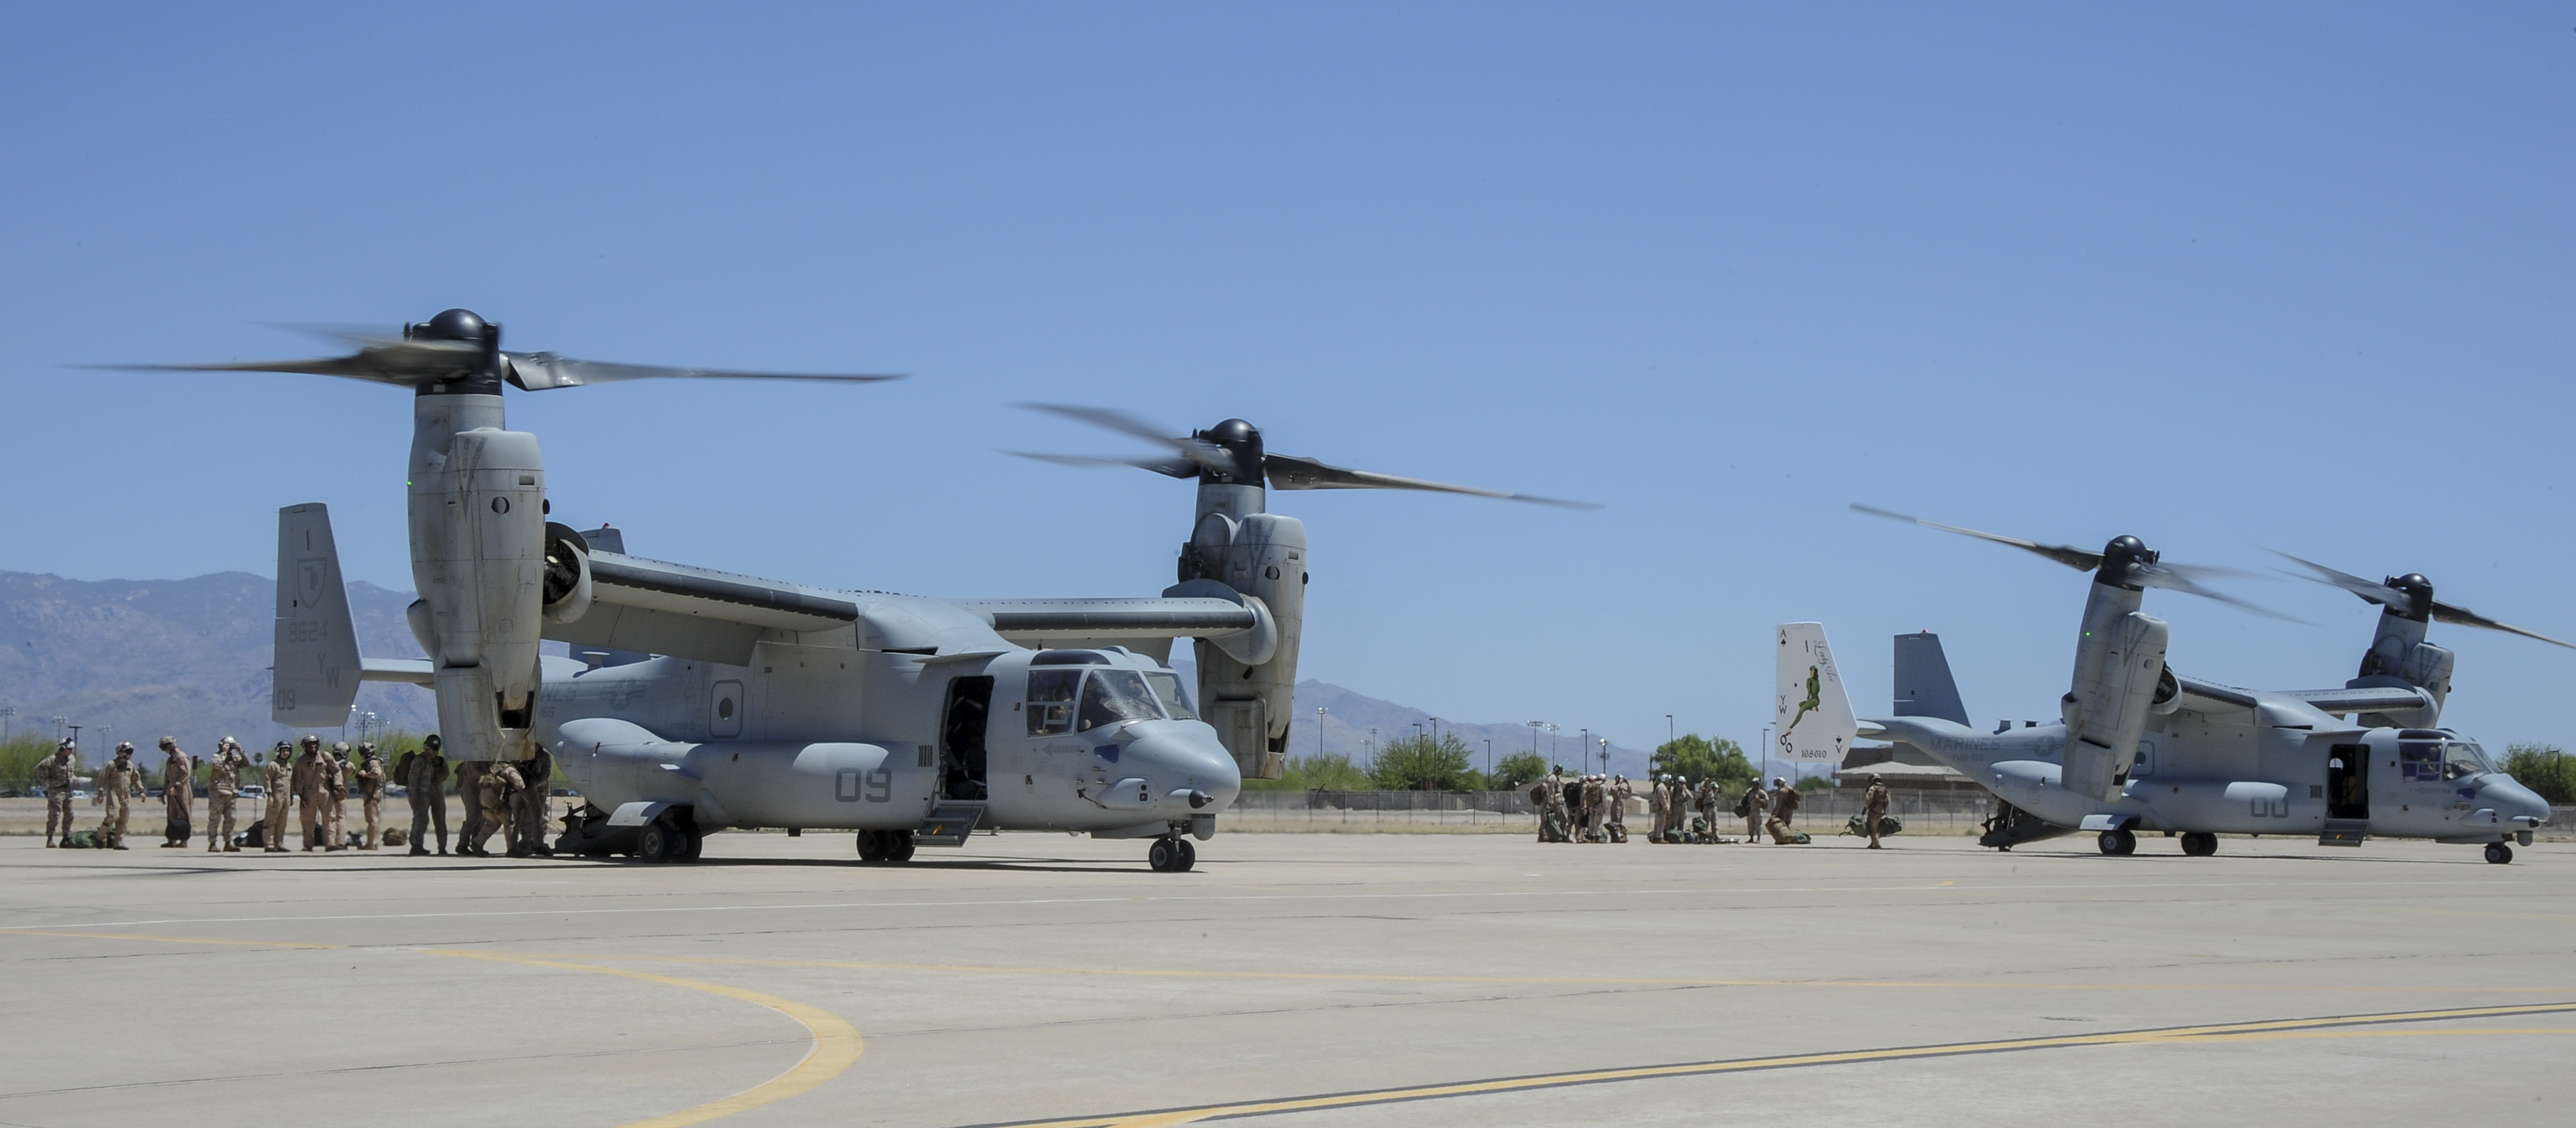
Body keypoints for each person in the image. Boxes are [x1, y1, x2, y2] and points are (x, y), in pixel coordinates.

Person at [400, 735, 451, 856]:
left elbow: (446, 773)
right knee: (421, 818)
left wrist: (437, 778)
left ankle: (442, 847)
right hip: (421, 793)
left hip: (437, 793)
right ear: (426, 747)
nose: (433, 752)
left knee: (440, 820)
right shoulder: (419, 760)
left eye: (435, 749)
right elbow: (413, 778)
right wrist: (414, 794)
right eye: (432, 748)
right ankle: (417, 845)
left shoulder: (440, 761)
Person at [96, 743, 143, 849]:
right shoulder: (111, 765)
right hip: (114, 793)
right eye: (128, 752)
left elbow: (136, 779)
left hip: (126, 794)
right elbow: (102, 778)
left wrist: (141, 791)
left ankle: (119, 842)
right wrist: (100, 792)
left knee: (123, 818)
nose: (130, 754)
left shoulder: (130, 766)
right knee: (113, 815)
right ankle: (100, 836)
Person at [206, 738, 250, 852]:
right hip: (218, 792)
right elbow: (217, 765)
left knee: (231, 818)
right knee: (215, 819)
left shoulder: (234, 758)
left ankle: (228, 842)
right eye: (228, 746)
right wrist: (224, 753)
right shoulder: (217, 756)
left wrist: (241, 752)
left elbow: (246, 764)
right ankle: (213, 843)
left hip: (231, 792)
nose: (230, 748)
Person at [513, 748, 555, 856]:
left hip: (536, 788)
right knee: (524, 817)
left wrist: (535, 784)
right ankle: (527, 841)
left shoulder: (543, 756)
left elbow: (545, 774)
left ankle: (536, 842)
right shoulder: (520, 754)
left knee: (539, 816)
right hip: (525, 787)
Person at [39, 740, 80, 847]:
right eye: (69, 749)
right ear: (63, 749)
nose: (71, 752)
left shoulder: (72, 759)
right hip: (56, 790)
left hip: (68, 790)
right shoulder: (53, 759)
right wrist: (48, 781)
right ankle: (50, 838)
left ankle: (66, 837)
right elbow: (39, 769)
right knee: (55, 815)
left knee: (69, 814)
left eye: (72, 750)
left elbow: (71, 772)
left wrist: (74, 779)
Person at [157, 737, 194, 848]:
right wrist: (164, 791)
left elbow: (186, 774)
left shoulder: (181, 757)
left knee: (184, 814)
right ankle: (171, 839)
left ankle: (184, 840)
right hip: (171, 791)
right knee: (171, 815)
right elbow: (167, 776)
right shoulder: (170, 760)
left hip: (182, 790)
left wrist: (177, 786)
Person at [261, 742, 295, 852]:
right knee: (271, 820)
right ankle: (269, 844)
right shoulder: (273, 765)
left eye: (288, 751)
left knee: (282, 822)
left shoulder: (289, 766)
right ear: (278, 751)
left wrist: (291, 796)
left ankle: (279, 844)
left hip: (286, 797)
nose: (286, 753)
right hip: (276, 796)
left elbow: (291, 782)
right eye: (283, 751)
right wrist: (269, 795)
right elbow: (267, 780)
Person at [291, 736, 323, 850]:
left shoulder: (325, 757)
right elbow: (297, 779)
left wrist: (338, 785)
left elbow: (335, 770)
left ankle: (331, 844)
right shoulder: (301, 761)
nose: (312, 746)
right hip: (309, 793)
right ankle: (308, 845)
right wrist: (301, 795)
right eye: (309, 745)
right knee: (308, 821)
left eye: (314, 744)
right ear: (305, 747)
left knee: (330, 819)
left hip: (324, 792)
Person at [319, 743, 351, 851]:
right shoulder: (348, 765)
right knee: (341, 817)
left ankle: (330, 843)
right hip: (340, 793)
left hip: (328, 793)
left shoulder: (327, 763)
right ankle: (341, 842)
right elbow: (352, 771)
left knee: (329, 818)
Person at [355, 744, 388, 850]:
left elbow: (377, 773)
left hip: (372, 793)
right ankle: (374, 842)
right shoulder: (374, 761)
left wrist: (365, 775)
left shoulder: (373, 762)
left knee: (372, 820)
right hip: (373, 792)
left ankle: (371, 843)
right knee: (375, 819)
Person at [1863, 773, 1891, 850]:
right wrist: (1884, 808)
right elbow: (1888, 800)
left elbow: (1869, 798)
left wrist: (1865, 808)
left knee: (1871, 827)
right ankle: (1873, 843)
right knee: (1876, 827)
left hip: (1874, 811)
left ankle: (1877, 843)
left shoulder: (1873, 788)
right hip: (1881, 811)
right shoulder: (1884, 788)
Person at [1739, 779, 1770, 844]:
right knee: (1750, 825)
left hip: (1758, 810)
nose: (1754, 785)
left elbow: (1767, 801)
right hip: (1750, 811)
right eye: (1753, 784)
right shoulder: (1750, 791)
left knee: (1758, 825)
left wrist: (1759, 800)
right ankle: (1751, 838)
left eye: (1756, 784)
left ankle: (1758, 838)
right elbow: (1744, 799)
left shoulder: (1761, 792)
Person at [1694, 777, 1722, 843]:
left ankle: (1716, 837)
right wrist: (1707, 782)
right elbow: (1707, 788)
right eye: (1714, 788)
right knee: (1705, 823)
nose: (1716, 790)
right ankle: (1703, 836)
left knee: (1715, 823)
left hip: (1714, 807)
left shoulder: (1715, 794)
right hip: (1708, 807)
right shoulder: (1708, 792)